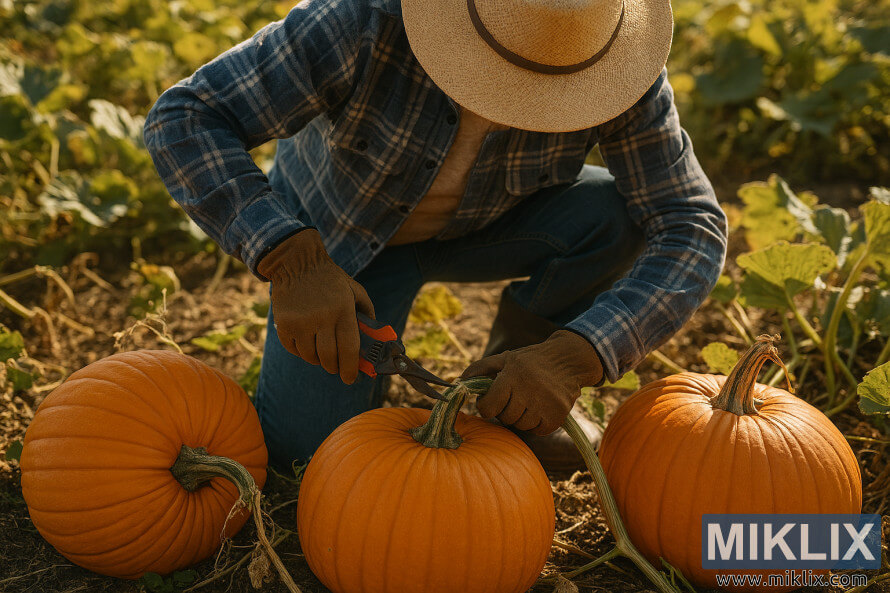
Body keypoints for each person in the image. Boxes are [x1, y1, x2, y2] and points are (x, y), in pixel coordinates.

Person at [144, 0, 728, 472]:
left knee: (612, 214)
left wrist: (576, 356)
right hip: (342, 244)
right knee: (308, 456)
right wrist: (290, 259)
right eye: (503, 74)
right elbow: (186, 117)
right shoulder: (359, 22)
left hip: (486, 226)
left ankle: (516, 380)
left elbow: (691, 223)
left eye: (545, 86)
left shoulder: (611, 67)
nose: (515, 101)